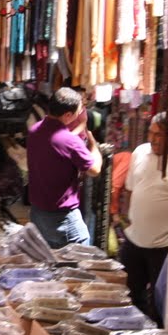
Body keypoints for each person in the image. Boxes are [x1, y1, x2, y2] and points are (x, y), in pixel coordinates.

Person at [26, 87, 103, 248]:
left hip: (38, 213)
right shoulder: (69, 141)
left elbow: (58, 145)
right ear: (68, 115)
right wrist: (94, 146)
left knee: (48, 261)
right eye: (79, 111)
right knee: (79, 261)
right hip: (63, 218)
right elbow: (95, 170)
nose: (81, 114)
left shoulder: (34, 131)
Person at [119, 112, 168, 323]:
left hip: (162, 245)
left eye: (158, 134)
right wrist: (127, 216)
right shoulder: (140, 152)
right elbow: (131, 188)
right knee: (128, 296)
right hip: (134, 240)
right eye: (151, 133)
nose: (153, 139)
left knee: (160, 303)